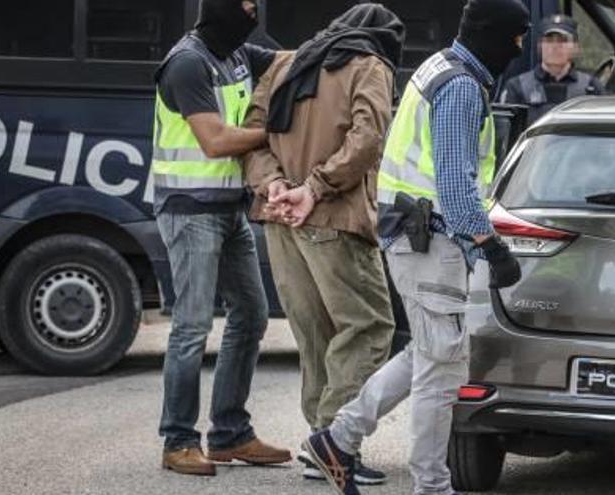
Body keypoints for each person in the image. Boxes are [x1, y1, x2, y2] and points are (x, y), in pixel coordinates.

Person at [300, 1, 528, 493]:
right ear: (495, 34)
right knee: (442, 374)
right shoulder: (462, 86)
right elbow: (455, 186)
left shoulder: (439, 66)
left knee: (429, 354)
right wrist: (492, 248)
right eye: (517, 37)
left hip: (415, 237)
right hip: (433, 240)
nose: (521, 48)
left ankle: (338, 439)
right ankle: (432, 486)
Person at [242, 4, 405, 486]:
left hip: (279, 219)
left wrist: (273, 185)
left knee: (314, 331)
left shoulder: (284, 63)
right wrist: (313, 188)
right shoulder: (368, 64)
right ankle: (334, 440)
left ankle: (320, 440)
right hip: (333, 215)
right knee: (371, 325)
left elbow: (254, 136)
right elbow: (369, 136)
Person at [152, 0, 290, 476]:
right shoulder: (188, 63)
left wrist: (340, 47)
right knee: (191, 328)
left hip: (229, 209)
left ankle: (231, 434)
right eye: (247, 4)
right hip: (189, 211)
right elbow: (214, 141)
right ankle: (178, 441)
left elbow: (291, 59)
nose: (254, 12)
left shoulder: (236, 53)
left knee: (251, 315)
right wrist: (274, 133)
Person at [501, 14, 605, 123]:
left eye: (563, 40)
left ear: (576, 47)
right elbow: (505, 132)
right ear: (540, 46)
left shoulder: (592, 87)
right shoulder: (517, 87)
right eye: (549, 40)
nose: (555, 46)